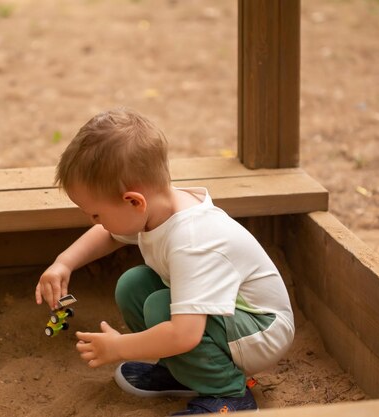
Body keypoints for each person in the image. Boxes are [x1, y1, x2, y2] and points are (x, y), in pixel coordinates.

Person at [35, 108, 295, 415]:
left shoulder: (191, 240)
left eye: (96, 214)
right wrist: (63, 263)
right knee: (134, 286)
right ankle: (186, 371)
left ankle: (229, 394)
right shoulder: (156, 209)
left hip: (261, 330)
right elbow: (108, 235)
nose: (96, 222)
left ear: (133, 200)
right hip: (230, 319)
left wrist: (120, 347)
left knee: (161, 309)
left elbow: (184, 333)